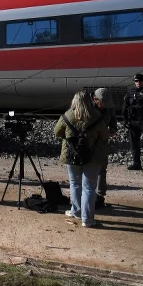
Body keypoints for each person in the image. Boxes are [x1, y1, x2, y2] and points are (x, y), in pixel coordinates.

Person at [55, 90, 109, 228]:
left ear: (74, 101)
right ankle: (88, 219)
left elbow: (57, 132)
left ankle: (76, 211)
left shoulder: (67, 115)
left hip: (72, 155)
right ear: (90, 101)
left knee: (74, 183)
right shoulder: (97, 116)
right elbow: (104, 136)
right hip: (93, 157)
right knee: (89, 188)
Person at [92, 88, 117, 209]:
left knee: (102, 168)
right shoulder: (87, 107)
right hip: (89, 142)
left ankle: (100, 195)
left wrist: (112, 129)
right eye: (102, 103)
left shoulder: (109, 107)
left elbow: (113, 119)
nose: (104, 106)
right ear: (95, 99)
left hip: (102, 141)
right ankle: (87, 195)